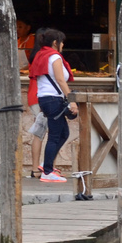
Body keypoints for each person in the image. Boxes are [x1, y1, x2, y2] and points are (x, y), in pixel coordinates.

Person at [30, 29, 77, 184]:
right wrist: (72, 101)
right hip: (53, 99)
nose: (63, 44)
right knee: (56, 135)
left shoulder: (42, 54)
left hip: (45, 98)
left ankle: (46, 165)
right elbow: (61, 80)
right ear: (55, 42)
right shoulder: (55, 56)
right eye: (61, 41)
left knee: (63, 133)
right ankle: (48, 172)